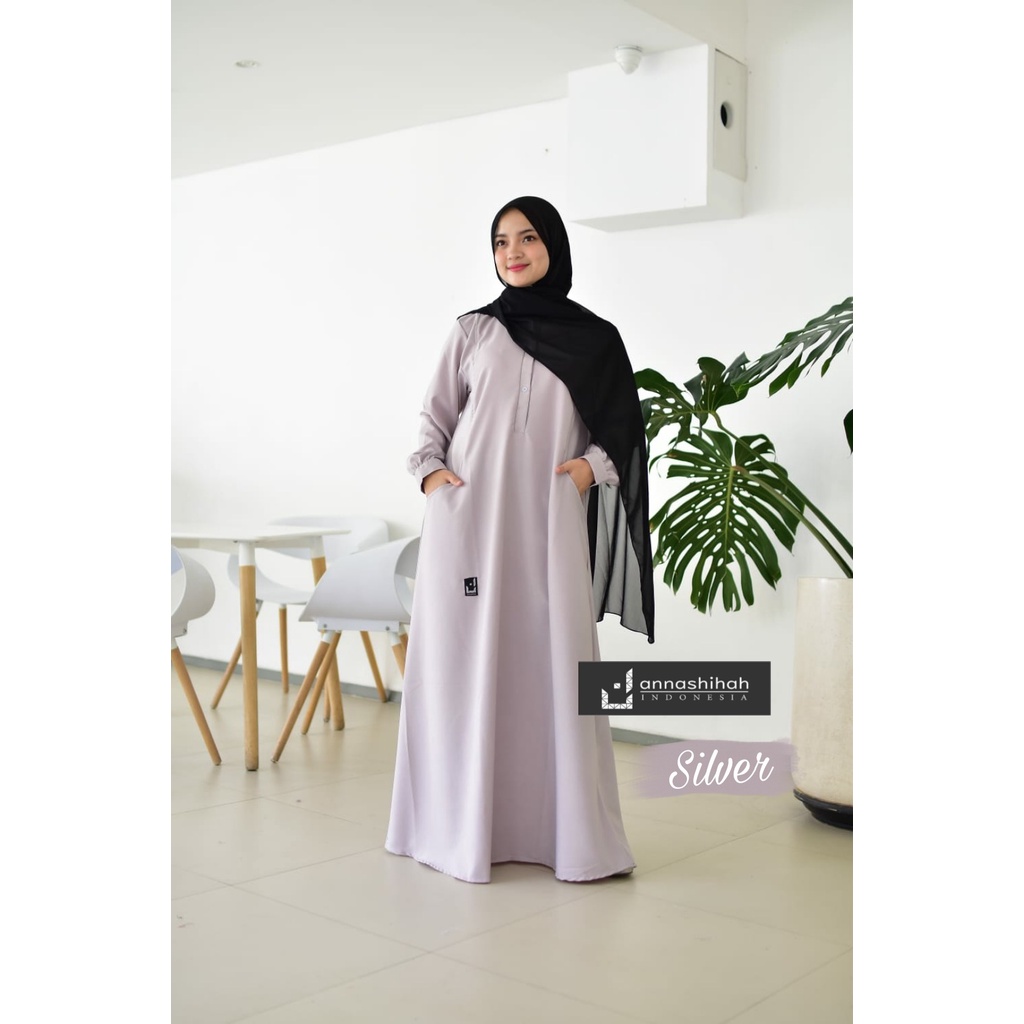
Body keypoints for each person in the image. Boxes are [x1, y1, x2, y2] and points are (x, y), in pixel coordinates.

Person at [385, 196, 655, 883]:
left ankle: (563, 837)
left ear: (553, 245)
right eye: (502, 242)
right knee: (463, 666)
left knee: (551, 665)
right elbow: (433, 420)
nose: (513, 252)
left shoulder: (597, 340)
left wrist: (586, 471)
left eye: (528, 238)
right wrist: (433, 478)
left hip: (546, 524)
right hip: (468, 524)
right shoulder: (473, 330)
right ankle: (454, 830)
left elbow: (623, 431)